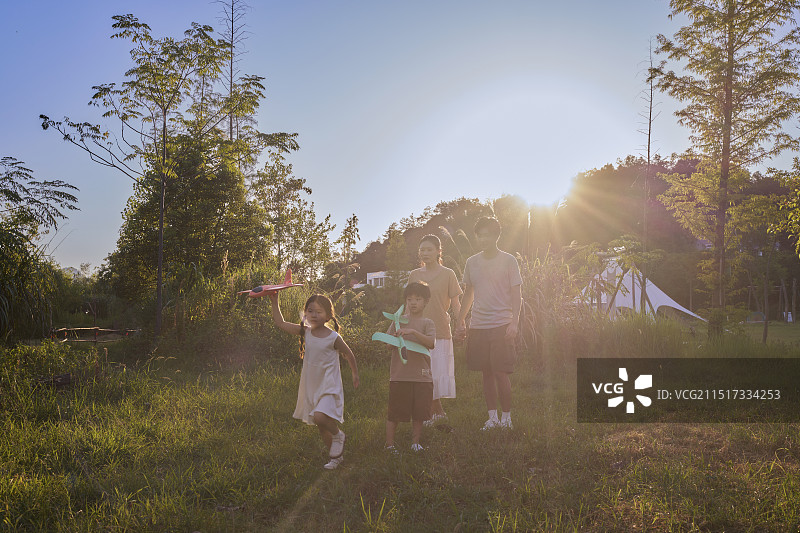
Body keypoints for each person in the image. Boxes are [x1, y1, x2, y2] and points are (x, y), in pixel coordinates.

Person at [269, 292, 359, 470]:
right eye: (310, 311)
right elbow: (280, 323)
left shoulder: (334, 337)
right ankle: (335, 457)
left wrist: (355, 374)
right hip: (312, 385)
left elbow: (349, 354)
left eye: (319, 312)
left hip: (329, 385)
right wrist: (274, 301)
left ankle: (339, 435)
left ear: (328, 315)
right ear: (305, 313)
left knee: (320, 416)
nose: (314, 315)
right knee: (320, 424)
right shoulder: (306, 331)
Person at [455, 216, 522, 431]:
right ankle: (492, 418)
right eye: (480, 235)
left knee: (501, 372)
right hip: (479, 325)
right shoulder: (471, 262)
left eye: (487, 235)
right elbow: (468, 294)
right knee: (486, 372)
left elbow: (516, 293)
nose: (483, 239)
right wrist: (461, 321)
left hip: (502, 324)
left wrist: (514, 323)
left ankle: (507, 418)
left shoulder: (509, 260)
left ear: (496, 236)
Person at [407, 234, 462, 425]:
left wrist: (461, 323)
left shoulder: (448, 274)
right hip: (418, 330)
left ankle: (434, 413)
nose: (425, 253)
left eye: (429, 249)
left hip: (440, 330)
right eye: (422, 250)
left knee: (436, 374)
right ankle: (435, 414)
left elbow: (455, 302)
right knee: (424, 374)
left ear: (439, 251)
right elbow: (409, 303)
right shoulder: (414, 275)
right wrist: (405, 325)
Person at [385, 281, 436, 453]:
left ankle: (415, 443)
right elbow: (388, 345)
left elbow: (431, 343)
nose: (413, 302)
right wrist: (396, 337)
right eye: (409, 299)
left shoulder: (428, 323)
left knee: (420, 412)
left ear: (426, 301)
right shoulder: (397, 321)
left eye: (418, 299)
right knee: (395, 413)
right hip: (400, 376)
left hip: (422, 377)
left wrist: (412, 332)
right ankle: (390, 445)